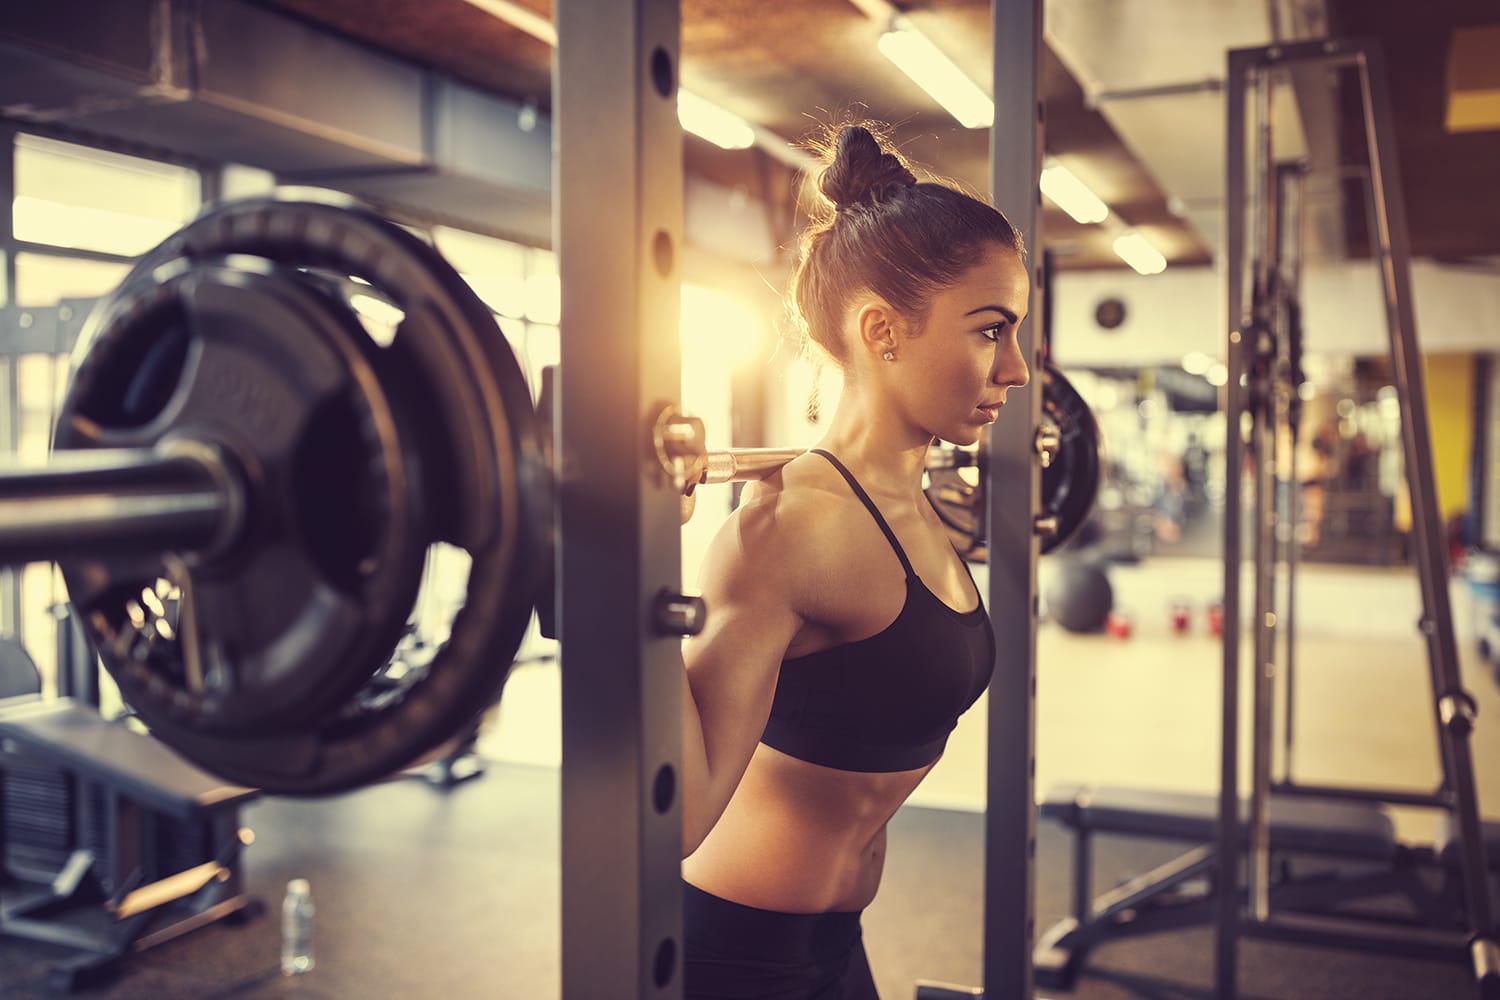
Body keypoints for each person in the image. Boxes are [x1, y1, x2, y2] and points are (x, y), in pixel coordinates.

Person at [679, 123, 1031, 999]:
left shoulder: (915, 500)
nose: (1018, 370)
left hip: (837, 942)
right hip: (735, 957)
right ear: (882, 330)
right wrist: (636, 573)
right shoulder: (792, 531)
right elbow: (675, 813)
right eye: (992, 332)